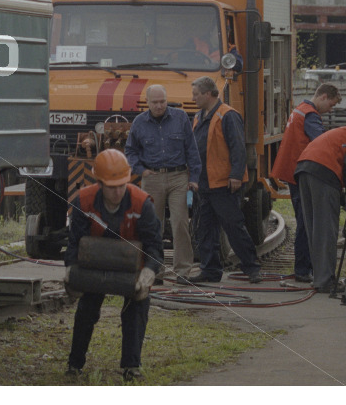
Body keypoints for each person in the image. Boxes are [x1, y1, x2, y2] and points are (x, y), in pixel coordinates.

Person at [64, 149, 163, 382]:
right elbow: (73, 241)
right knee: (86, 310)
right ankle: (74, 364)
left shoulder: (142, 204)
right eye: (111, 186)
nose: (117, 191)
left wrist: (149, 272)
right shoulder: (83, 201)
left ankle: (131, 366)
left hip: (132, 269)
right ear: (99, 183)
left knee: (136, 308)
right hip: (95, 266)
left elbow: (155, 247)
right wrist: (70, 270)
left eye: (121, 185)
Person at [187, 76, 263, 284]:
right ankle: (210, 270)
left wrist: (236, 175)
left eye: (196, 94)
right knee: (205, 229)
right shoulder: (199, 116)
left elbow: (238, 147)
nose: (193, 98)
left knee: (233, 226)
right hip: (204, 184)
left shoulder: (228, 115)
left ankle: (252, 268)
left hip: (223, 183)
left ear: (209, 94)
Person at [124, 84, 201, 282]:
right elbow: (130, 151)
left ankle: (183, 271)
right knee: (152, 225)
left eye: (163, 101)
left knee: (180, 223)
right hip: (152, 178)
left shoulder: (181, 118)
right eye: (155, 102)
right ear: (147, 103)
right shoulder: (139, 123)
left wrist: (193, 179)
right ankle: (154, 270)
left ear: (167, 100)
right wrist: (141, 171)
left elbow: (191, 149)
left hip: (178, 177)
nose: (159, 106)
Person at [271, 83, 341, 283]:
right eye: (332, 105)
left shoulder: (299, 110)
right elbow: (322, 143)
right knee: (306, 222)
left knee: (304, 221)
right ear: (324, 97)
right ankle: (303, 268)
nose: (331, 110)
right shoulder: (310, 115)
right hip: (304, 174)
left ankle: (304, 267)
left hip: (295, 172)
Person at [294, 126, 346, 294]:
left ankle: (320, 277)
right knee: (325, 228)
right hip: (324, 169)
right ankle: (324, 281)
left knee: (314, 228)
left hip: (304, 167)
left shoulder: (339, 133)